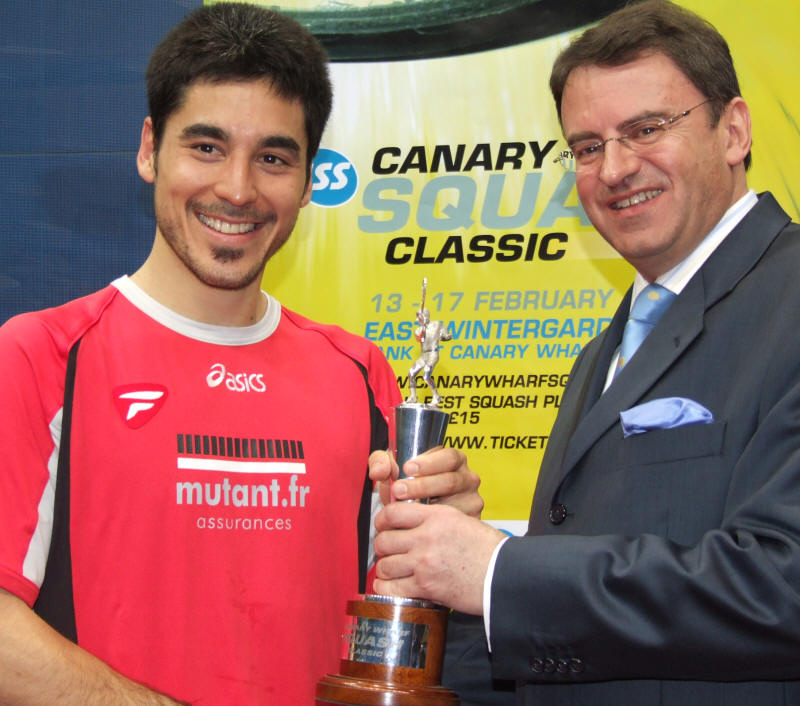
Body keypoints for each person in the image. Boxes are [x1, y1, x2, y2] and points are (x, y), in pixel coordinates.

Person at [0, 4, 481, 704]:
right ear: (149, 149)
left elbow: (391, 620)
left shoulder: (360, 374)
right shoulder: (42, 356)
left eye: (274, 158)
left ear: (309, 179)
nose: (237, 189)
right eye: (206, 147)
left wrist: (442, 547)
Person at [372, 1, 800, 704]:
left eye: (647, 129)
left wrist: (499, 574)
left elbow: (784, 582)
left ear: (734, 131)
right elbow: (574, 641)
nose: (615, 168)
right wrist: (415, 621)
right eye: (588, 147)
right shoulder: (604, 352)